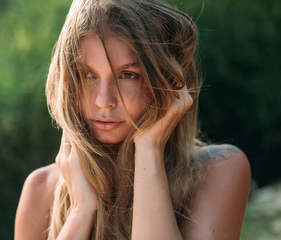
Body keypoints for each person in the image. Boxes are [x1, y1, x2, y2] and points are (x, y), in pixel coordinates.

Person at [14, 0, 251, 239]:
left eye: (128, 75)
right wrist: (80, 211)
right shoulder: (41, 189)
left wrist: (149, 150)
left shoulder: (218, 170)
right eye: (87, 75)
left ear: (168, 82)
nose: (104, 100)